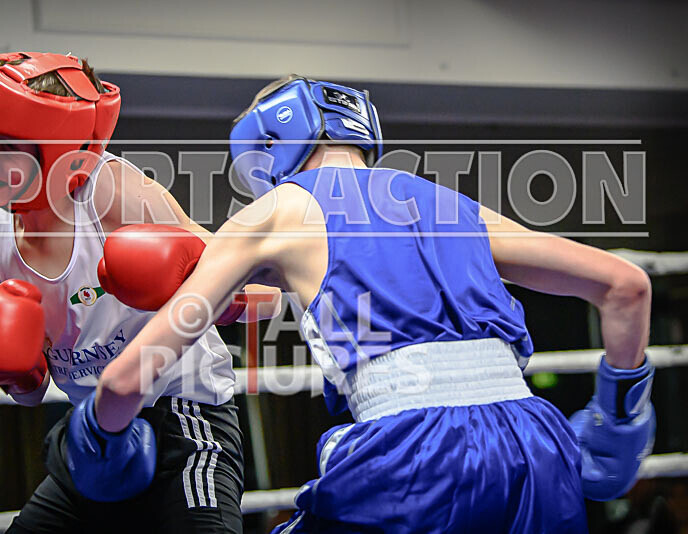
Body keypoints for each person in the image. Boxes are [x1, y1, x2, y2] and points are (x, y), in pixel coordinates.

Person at [83, 75, 655, 533]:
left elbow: (127, 380)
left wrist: (101, 439)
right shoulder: (453, 204)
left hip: (411, 456)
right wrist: (619, 420)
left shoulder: (275, 213)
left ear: (267, 148)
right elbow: (626, 286)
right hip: (535, 447)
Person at [0, 51, 280, 533]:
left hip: (184, 416)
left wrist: (212, 296)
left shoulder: (113, 194)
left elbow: (268, 290)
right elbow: (33, 387)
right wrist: (17, 375)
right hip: (92, 432)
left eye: (4, 145)